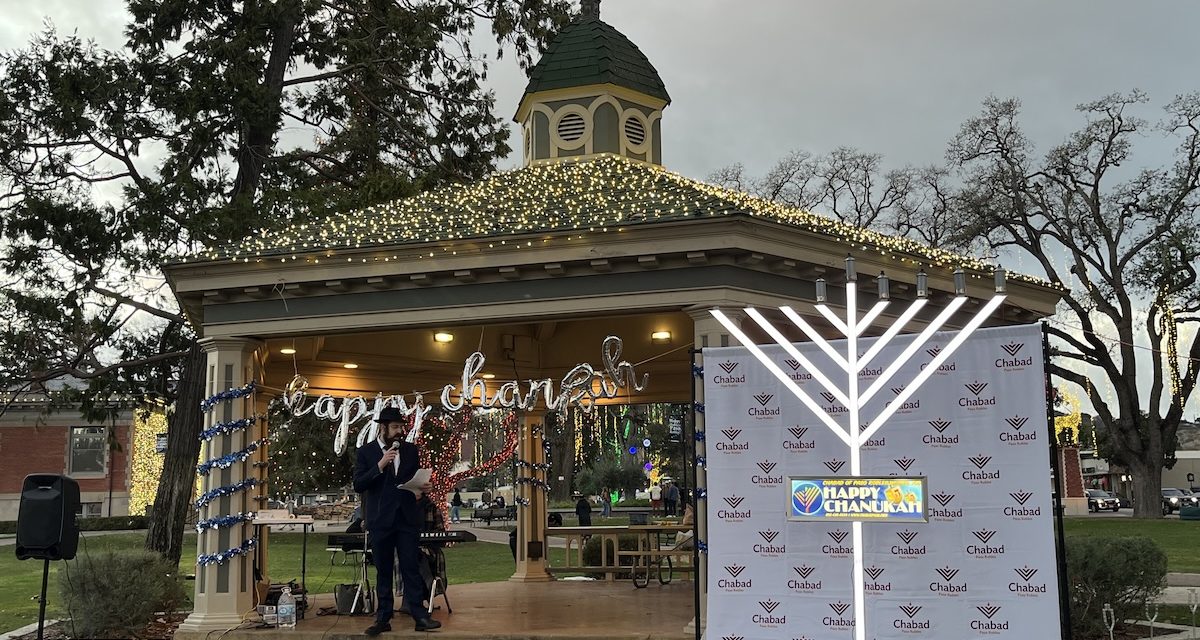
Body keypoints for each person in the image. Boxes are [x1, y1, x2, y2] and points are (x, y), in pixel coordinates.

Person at [353, 407, 441, 635]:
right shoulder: (367, 452)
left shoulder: (411, 451)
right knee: (383, 570)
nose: (399, 431)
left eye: (401, 427)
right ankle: (383, 617)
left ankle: (419, 615)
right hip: (380, 520)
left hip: (406, 518)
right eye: (394, 427)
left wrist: (423, 489)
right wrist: (380, 465)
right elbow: (359, 484)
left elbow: (414, 481)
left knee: (411, 566)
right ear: (382, 428)